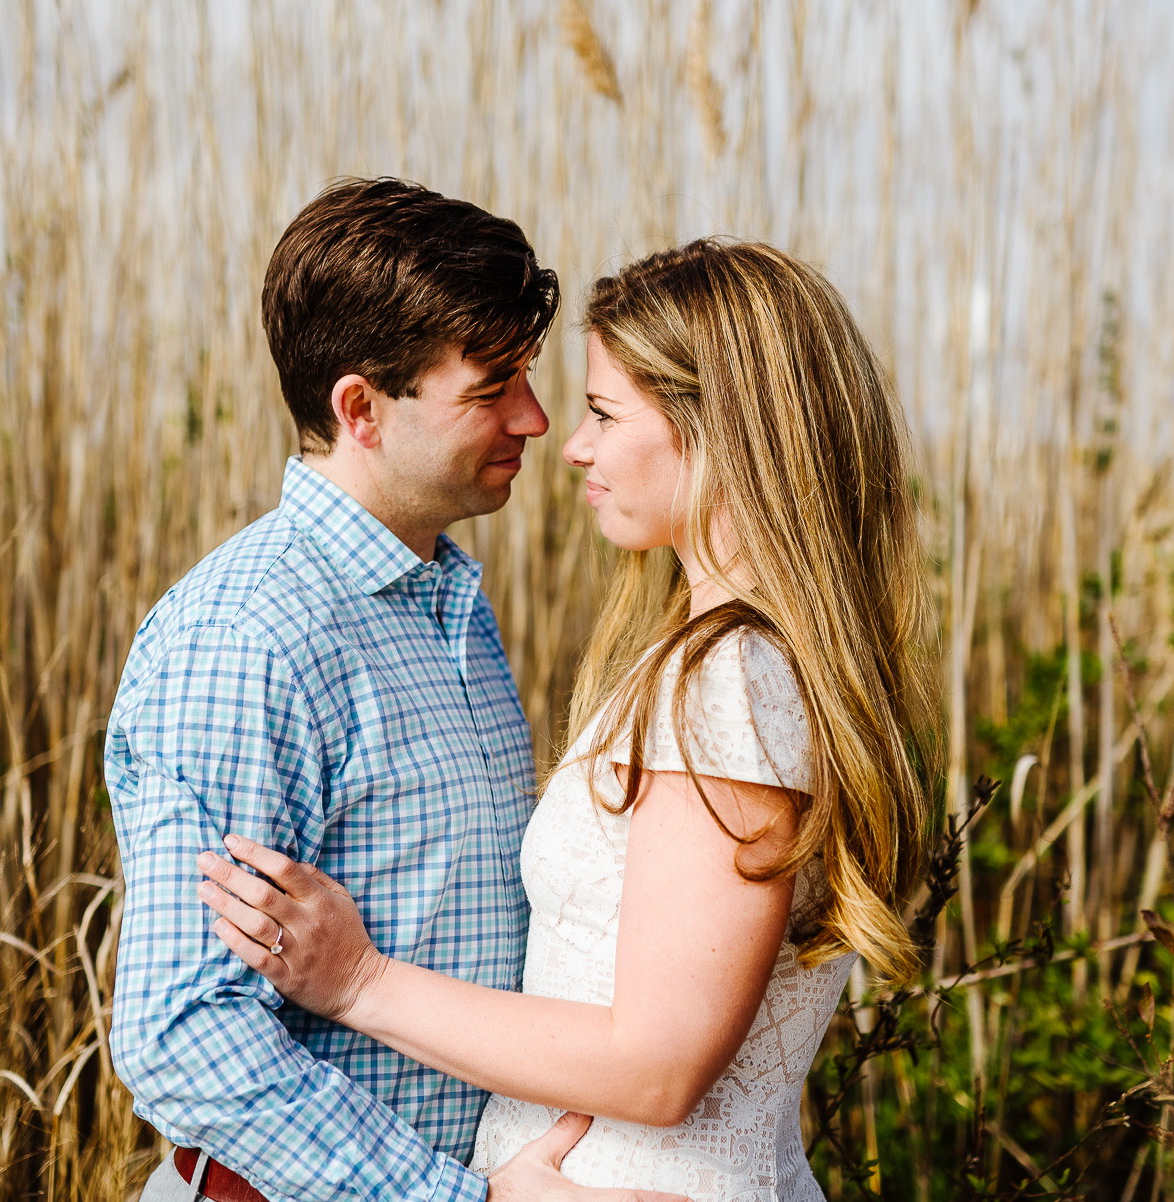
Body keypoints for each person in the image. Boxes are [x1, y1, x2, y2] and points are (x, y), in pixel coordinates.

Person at [199, 238, 940, 1200]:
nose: (572, 441)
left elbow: (656, 1067)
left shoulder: (729, 680)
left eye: (603, 412)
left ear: (720, 433)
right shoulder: (729, 660)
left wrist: (359, 982)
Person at [108, 177, 682, 1202]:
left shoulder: (446, 602)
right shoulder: (249, 638)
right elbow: (183, 1034)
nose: (537, 418)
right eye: (492, 385)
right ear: (361, 408)